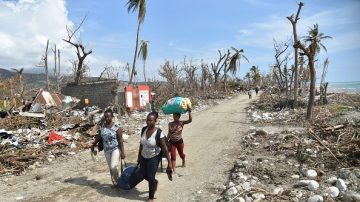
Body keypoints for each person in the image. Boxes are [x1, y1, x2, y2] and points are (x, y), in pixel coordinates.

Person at [136, 111, 172, 202]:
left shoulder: (159, 133)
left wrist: (169, 163)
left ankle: (151, 197)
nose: (148, 122)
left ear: (155, 121)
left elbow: (165, 149)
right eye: (147, 120)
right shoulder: (144, 129)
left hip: (154, 157)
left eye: (151, 120)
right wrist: (139, 157)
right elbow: (141, 144)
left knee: (151, 176)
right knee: (144, 174)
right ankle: (154, 182)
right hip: (144, 156)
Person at [91, 108, 125, 185]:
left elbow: (120, 140)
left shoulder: (117, 127)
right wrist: (94, 144)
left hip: (115, 149)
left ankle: (118, 180)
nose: (107, 118)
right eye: (105, 117)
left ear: (112, 117)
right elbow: (99, 136)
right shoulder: (103, 125)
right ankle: (114, 182)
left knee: (113, 166)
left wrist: (122, 152)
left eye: (108, 117)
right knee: (110, 167)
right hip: (106, 150)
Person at [167, 109, 192, 174]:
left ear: (179, 117)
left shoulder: (181, 123)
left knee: (181, 154)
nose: (174, 117)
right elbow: (169, 133)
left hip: (179, 142)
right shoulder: (170, 124)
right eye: (173, 116)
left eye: (176, 116)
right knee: (173, 156)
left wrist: (189, 112)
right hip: (172, 142)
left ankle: (183, 159)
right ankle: (174, 170)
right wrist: (166, 141)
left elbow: (190, 120)